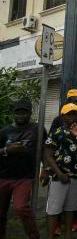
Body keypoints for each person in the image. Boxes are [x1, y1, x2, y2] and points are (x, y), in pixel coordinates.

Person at [0, 99, 46, 239]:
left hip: (24, 177)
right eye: (17, 112)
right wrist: (8, 150)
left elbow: (44, 149)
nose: (20, 115)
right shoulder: (4, 131)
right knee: (0, 212)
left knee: (20, 207)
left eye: (24, 112)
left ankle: (34, 235)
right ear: (13, 113)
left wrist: (46, 169)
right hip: (3, 176)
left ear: (30, 113)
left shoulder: (37, 129)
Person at [44, 103, 77, 239]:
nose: (72, 117)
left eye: (74, 114)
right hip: (59, 177)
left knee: (70, 209)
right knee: (54, 210)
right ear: (62, 116)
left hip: (76, 176)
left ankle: (68, 235)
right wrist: (58, 173)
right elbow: (48, 155)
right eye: (69, 114)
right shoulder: (57, 132)